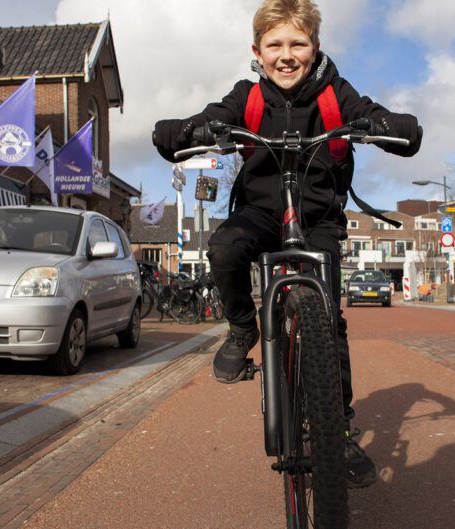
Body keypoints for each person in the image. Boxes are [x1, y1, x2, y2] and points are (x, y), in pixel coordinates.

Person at [153, 0, 422, 489]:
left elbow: (375, 116)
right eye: (275, 45)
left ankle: (337, 430)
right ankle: (241, 328)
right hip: (259, 214)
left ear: (314, 47)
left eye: (297, 43)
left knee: (328, 320)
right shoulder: (248, 97)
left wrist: (387, 127)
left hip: (317, 219)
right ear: (257, 51)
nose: (286, 55)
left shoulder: (335, 94)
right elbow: (209, 118)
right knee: (224, 248)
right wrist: (189, 130)